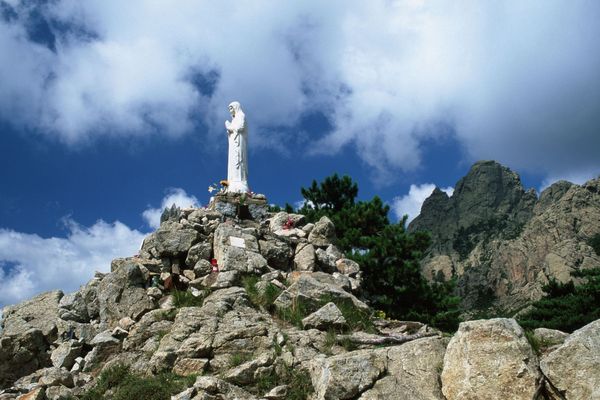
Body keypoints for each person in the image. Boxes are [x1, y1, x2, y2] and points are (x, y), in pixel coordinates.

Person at [224, 101, 249, 193]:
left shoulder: (241, 115)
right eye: (229, 108)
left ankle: (239, 181)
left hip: (239, 141)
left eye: (231, 108)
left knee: (238, 160)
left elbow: (241, 127)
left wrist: (230, 127)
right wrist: (229, 128)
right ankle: (231, 181)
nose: (230, 110)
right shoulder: (234, 119)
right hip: (233, 143)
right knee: (233, 161)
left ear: (235, 107)